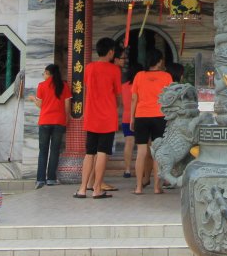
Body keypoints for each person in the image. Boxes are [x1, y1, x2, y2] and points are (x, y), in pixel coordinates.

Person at [74, 38, 121, 199]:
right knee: (103, 152)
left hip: (92, 115)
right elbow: (117, 94)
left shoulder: (89, 68)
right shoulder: (114, 70)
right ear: (110, 52)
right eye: (113, 51)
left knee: (90, 152)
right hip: (107, 117)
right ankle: (97, 189)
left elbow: (88, 87)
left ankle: (82, 189)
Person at [131, 49, 173, 194]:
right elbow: (170, 100)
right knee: (157, 153)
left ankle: (138, 187)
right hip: (159, 117)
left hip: (141, 116)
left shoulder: (139, 76)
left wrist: (132, 118)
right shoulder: (167, 77)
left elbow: (134, 99)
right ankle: (156, 187)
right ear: (160, 61)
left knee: (141, 152)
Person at [29, 63, 71, 188]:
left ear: (48, 73)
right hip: (59, 121)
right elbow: (67, 104)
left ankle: (40, 179)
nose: (44, 75)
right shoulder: (64, 86)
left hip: (45, 121)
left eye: (44, 73)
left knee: (43, 151)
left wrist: (33, 99)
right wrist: (66, 118)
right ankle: (51, 178)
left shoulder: (42, 85)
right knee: (54, 150)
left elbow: (41, 105)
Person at [118, 46, 138, 179]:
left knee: (128, 143)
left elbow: (120, 102)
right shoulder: (140, 86)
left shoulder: (123, 86)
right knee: (144, 145)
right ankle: (142, 170)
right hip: (140, 117)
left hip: (126, 117)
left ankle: (127, 170)